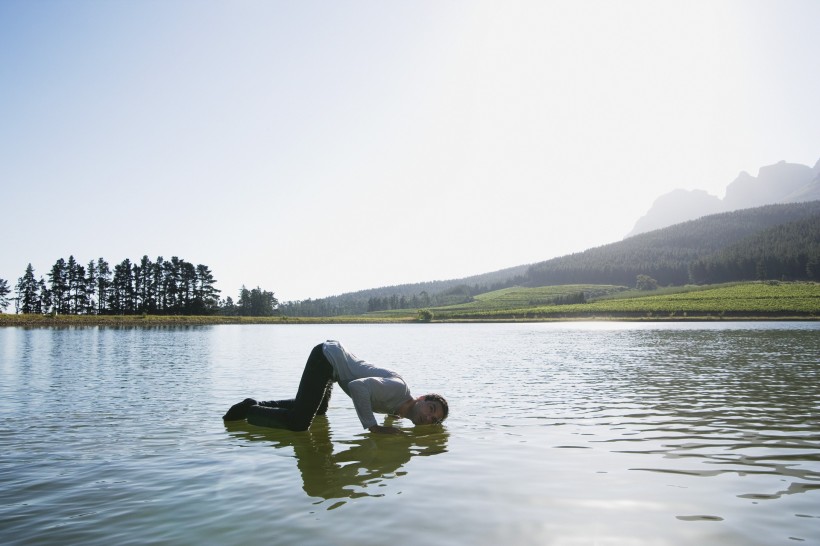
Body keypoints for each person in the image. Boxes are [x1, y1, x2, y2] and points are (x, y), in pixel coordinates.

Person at [222, 340, 448, 434]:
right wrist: (374, 427)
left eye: (434, 419)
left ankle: (260, 405)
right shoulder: (398, 390)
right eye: (431, 409)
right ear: (420, 398)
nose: (429, 419)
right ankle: (249, 409)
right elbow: (359, 388)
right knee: (300, 424)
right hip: (327, 359)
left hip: (334, 366)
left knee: (318, 410)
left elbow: (389, 407)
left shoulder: (400, 406)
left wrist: (392, 418)